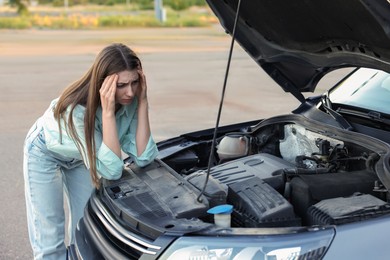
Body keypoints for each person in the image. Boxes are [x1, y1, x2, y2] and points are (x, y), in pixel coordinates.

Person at [23, 43, 159, 259]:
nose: (130, 92)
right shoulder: (76, 111)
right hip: (45, 152)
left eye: (135, 82)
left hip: (83, 158)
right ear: (102, 83)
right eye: (122, 85)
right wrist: (107, 113)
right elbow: (112, 170)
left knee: (84, 230)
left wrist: (142, 102)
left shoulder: (131, 99)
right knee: (49, 237)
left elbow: (144, 156)